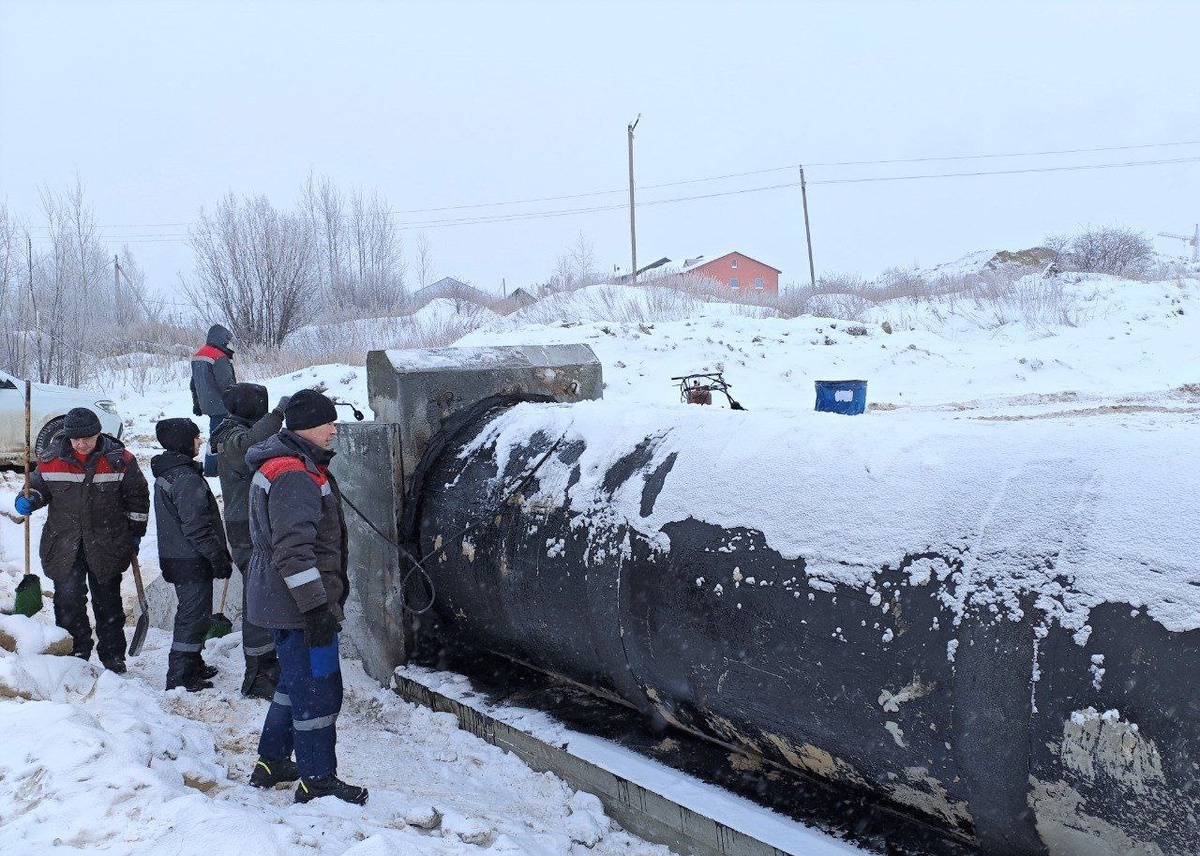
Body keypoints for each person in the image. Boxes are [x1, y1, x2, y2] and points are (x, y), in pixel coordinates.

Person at [244, 389, 367, 804]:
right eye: (326, 423)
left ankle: (273, 760)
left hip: (280, 599)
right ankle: (318, 780)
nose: (334, 429)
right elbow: (294, 551)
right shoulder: (295, 474)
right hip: (298, 604)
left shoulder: (286, 463)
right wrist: (316, 607)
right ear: (303, 428)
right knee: (318, 689)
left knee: (294, 682)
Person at [14, 407, 149, 671]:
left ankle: (113, 657)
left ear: (99, 432)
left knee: (108, 602)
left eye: (87, 437)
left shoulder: (120, 460)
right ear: (67, 437)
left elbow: (138, 498)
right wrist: (28, 498)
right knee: (68, 600)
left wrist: (135, 534)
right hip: (64, 543)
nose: (82, 444)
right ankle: (75, 653)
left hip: (108, 543)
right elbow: (39, 487)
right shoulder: (51, 459)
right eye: (76, 439)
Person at [211, 383, 288, 699]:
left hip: (255, 525)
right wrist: (279, 414)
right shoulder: (232, 438)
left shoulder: (237, 431)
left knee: (265, 598)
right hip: (246, 529)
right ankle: (258, 675)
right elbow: (249, 446)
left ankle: (266, 668)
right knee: (259, 601)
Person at [152, 418, 233, 692]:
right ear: (182, 441)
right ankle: (180, 675)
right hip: (190, 559)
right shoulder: (184, 478)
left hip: (179, 556)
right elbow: (197, 527)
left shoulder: (173, 472)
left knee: (195, 614)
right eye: (196, 436)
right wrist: (217, 557)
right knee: (192, 616)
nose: (199, 441)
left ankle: (193, 664)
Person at [190, 323, 237, 477]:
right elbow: (227, 385)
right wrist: (237, 402)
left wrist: (197, 403)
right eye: (228, 340)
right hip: (221, 405)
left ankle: (214, 467)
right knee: (219, 436)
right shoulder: (219, 356)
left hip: (207, 404)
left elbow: (194, 383)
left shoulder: (199, 355)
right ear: (222, 339)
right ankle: (213, 469)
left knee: (216, 434)